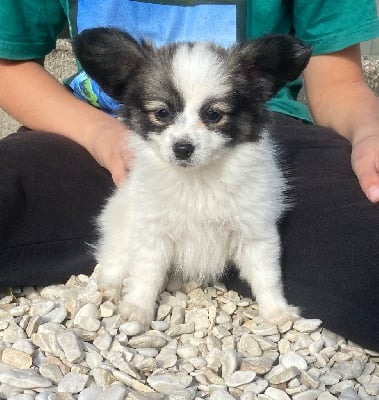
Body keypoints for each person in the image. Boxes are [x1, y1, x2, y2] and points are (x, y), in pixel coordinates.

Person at [0, 1, 378, 351]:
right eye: (163, 113)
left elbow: (339, 82)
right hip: (84, 130)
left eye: (212, 115)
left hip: (263, 147)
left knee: (364, 265)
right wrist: (99, 134)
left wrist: (370, 131)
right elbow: (9, 66)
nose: (184, 139)